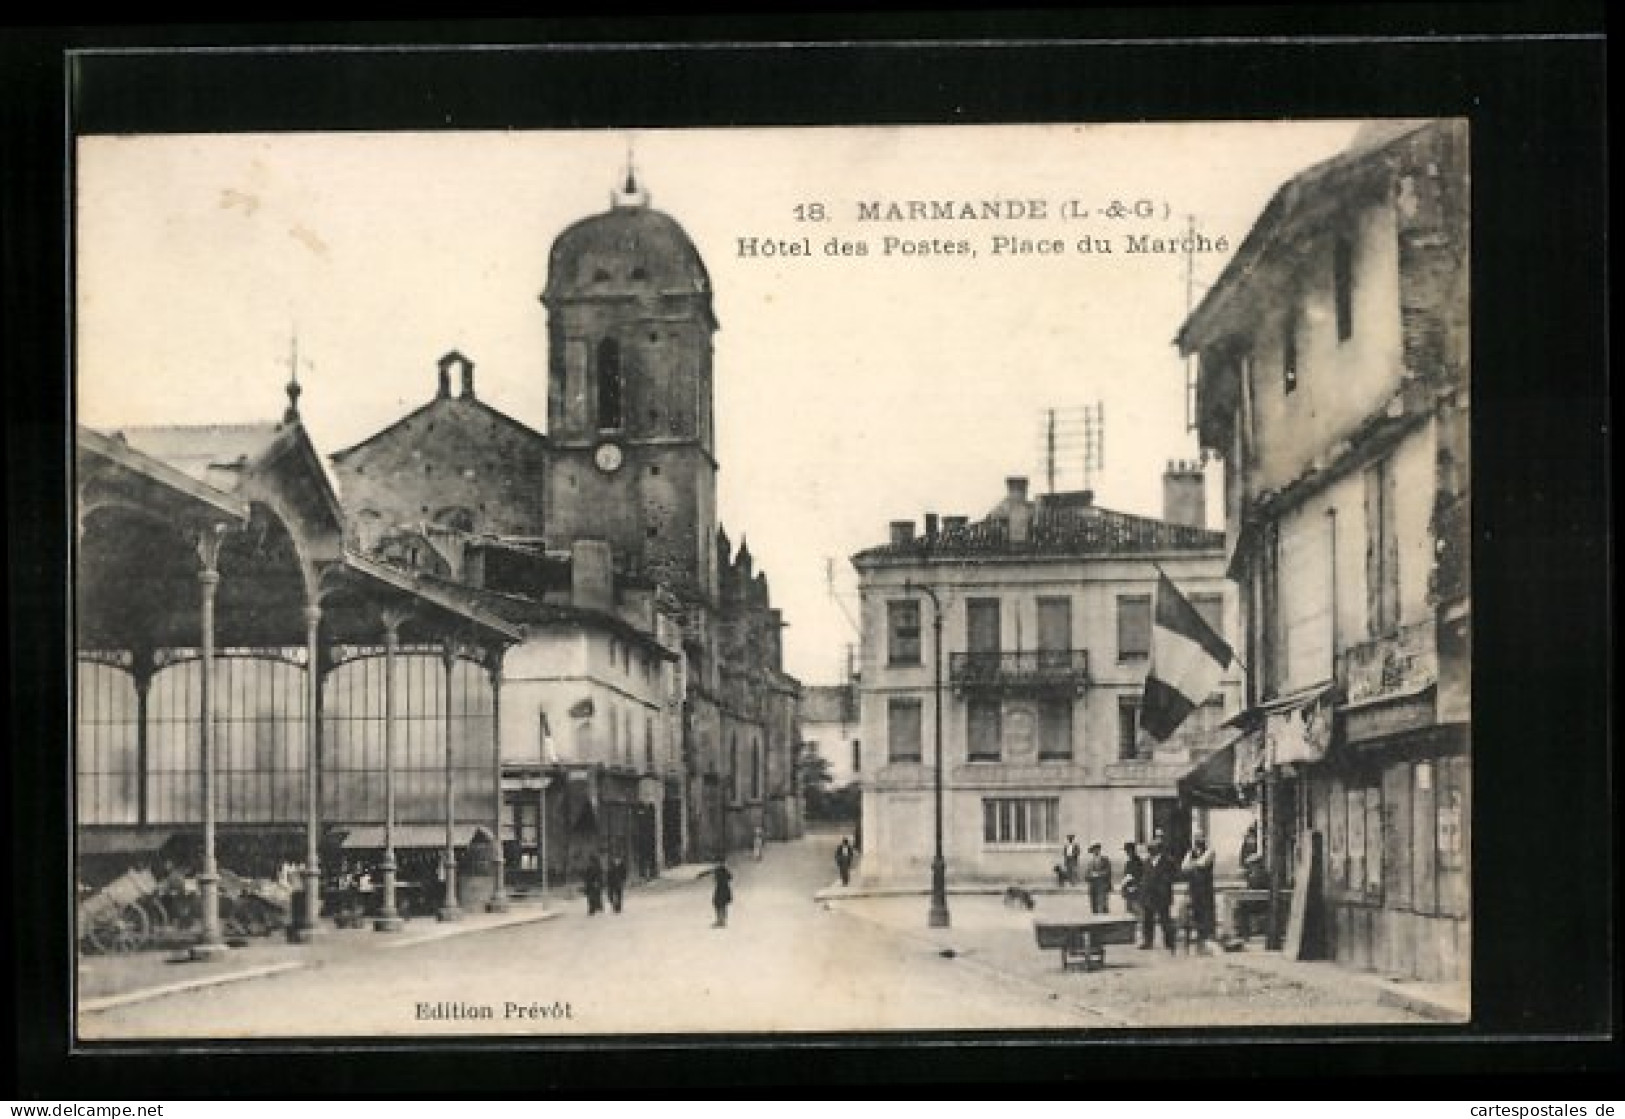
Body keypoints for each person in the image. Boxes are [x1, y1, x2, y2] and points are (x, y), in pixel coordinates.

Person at [1138, 841, 1178, 953]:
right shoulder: (1146, 861)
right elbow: (1143, 877)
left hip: (1162, 895)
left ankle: (1169, 942)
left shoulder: (1168, 861)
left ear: (1158, 850)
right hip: (1148, 895)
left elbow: (1174, 875)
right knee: (1147, 919)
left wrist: (1163, 883)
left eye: (1152, 849)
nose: (1149, 851)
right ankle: (1148, 941)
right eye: (1149, 849)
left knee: (1165, 919)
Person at [1181, 831, 1217, 951]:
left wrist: (1193, 864)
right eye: (1196, 839)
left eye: (1200, 839)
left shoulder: (1210, 851)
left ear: (1204, 840)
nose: (1198, 841)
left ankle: (1207, 935)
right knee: (1195, 910)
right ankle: (1199, 934)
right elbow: (1184, 867)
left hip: (1205, 886)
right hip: (1194, 886)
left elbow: (1203, 863)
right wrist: (1194, 864)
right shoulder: (1190, 853)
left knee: (1206, 910)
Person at [701, 860, 734, 928]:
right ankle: (722, 920)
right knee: (721, 904)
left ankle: (720, 921)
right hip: (725, 889)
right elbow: (730, 877)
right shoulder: (723, 870)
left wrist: (701, 875)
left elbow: (709, 872)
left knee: (718, 904)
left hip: (721, 889)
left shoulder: (719, 870)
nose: (717, 864)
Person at [1083, 842, 1113, 914]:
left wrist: (1098, 874)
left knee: (1103, 904)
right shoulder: (1090, 862)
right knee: (1094, 905)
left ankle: (1105, 918)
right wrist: (1090, 876)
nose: (1095, 851)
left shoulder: (1105, 860)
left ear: (1099, 850)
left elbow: (1108, 871)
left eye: (1097, 849)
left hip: (1102, 884)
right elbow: (1086, 875)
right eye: (1094, 850)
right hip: (1093, 885)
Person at [1120, 841, 1145, 916]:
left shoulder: (1138, 862)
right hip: (1129, 889)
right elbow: (1126, 875)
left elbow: (1140, 875)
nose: (1127, 853)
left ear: (1132, 850)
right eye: (1126, 851)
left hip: (1135, 889)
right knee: (1129, 910)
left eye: (1128, 851)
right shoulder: (1129, 862)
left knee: (1137, 909)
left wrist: (1135, 886)